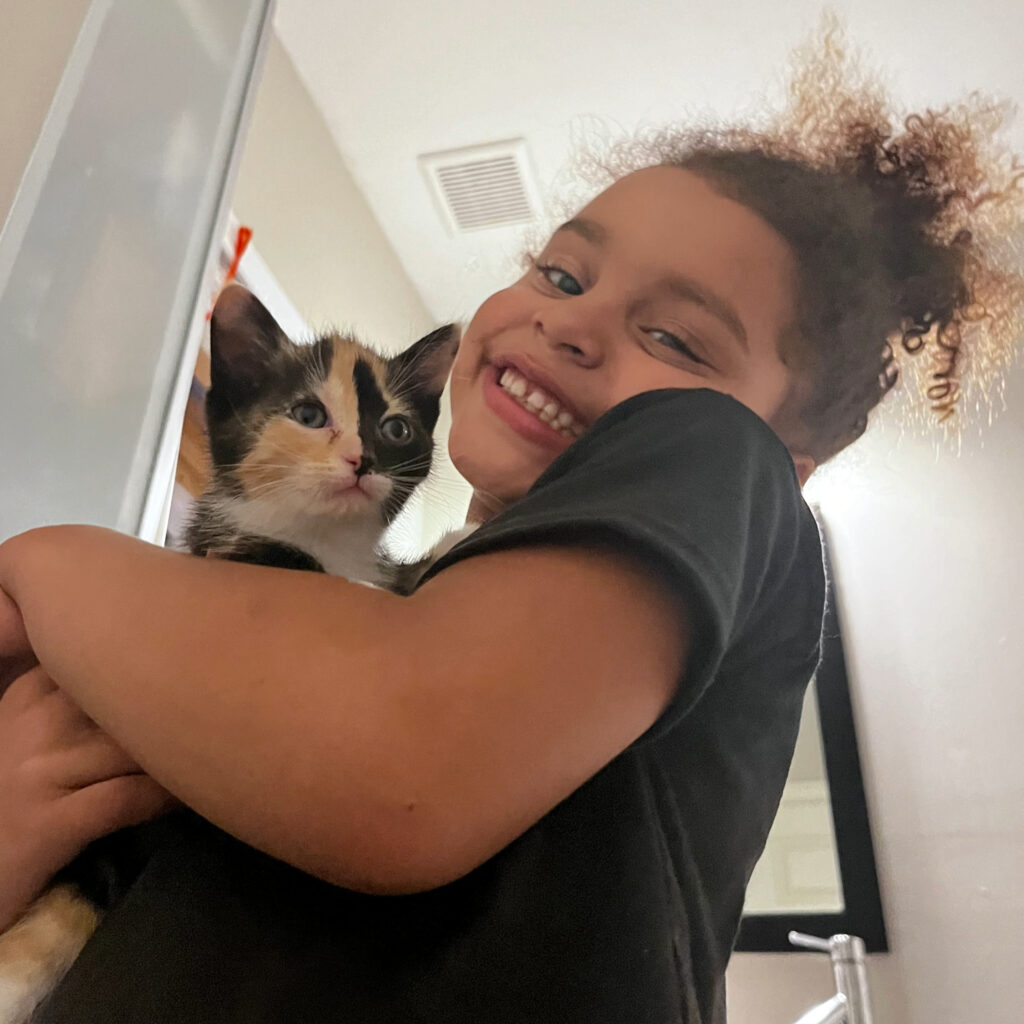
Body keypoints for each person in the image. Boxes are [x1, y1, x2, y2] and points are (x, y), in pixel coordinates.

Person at [1, 27, 1022, 1024]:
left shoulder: (719, 454)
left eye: (671, 335)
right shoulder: (404, 606)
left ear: (791, 466)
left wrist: (43, 562)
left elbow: (401, 763)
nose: (567, 322)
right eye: (561, 273)